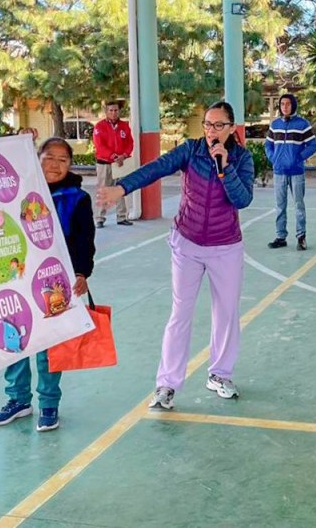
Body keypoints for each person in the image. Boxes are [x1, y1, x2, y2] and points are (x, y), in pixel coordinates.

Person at [100, 101, 254, 410]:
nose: (211, 131)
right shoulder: (190, 151)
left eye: (219, 125)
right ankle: (167, 384)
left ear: (231, 128)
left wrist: (225, 169)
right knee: (180, 313)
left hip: (225, 247)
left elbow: (243, 199)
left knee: (226, 313)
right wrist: (122, 188)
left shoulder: (241, 158)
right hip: (187, 244)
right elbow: (156, 168)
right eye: (207, 124)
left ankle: (220, 374)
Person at [0, 138, 96, 432]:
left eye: (63, 160)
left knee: (50, 343)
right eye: (49, 157)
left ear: (70, 165)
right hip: (17, 278)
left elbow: (85, 240)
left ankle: (49, 403)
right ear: (37, 158)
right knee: (15, 339)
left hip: (54, 282)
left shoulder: (77, 199)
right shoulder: (18, 192)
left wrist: (81, 273)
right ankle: (18, 400)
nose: (55, 165)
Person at [265, 93, 316, 251]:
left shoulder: (302, 124)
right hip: (279, 172)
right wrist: (273, 158)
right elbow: (268, 145)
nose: (285, 107)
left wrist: (298, 158)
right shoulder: (275, 125)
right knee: (280, 206)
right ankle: (280, 237)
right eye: (282, 104)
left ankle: (301, 237)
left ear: (293, 105)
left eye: (288, 104)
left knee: (299, 205)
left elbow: (313, 145)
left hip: (296, 172)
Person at [92, 101, 135, 227]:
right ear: (106, 112)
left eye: (116, 110)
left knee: (121, 189)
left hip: (121, 164)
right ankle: (99, 218)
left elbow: (130, 143)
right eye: (110, 110)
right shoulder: (99, 127)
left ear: (119, 111)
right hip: (105, 164)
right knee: (103, 190)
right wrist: (113, 156)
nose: (113, 113)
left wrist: (124, 155)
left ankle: (122, 217)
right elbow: (99, 145)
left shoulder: (124, 126)